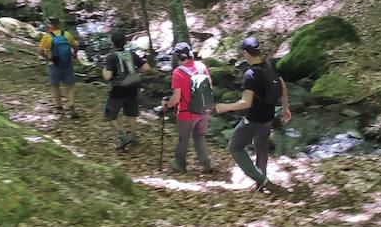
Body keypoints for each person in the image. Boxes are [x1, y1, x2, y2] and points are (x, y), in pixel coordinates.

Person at [215, 36, 291, 192]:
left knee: (234, 147)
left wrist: (224, 107)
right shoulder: (271, 65)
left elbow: (246, 103)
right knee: (261, 146)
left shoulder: (250, 74)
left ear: (245, 53)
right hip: (269, 118)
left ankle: (261, 180)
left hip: (254, 119)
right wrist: (285, 108)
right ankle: (260, 184)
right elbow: (283, 87)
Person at [160, 42, 214, 174]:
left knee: (183, 138)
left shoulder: (178, 72)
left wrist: (166, 105)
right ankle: (206, 164)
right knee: (200, 136)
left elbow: (176, 98)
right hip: (204, 110)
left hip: (187, 113)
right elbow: (210, 88)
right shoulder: (202, 66)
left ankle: (180, 164)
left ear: (178, 56)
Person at [101, 29, 151, 150]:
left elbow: (108, 76)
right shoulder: (131, 54)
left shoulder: (111, 57)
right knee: (131, 115)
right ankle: (133, 138)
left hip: (118, 91)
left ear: (113, 43)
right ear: (124, 42)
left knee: (110, 115)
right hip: (132, 89)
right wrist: (134, 72)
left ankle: (123, 136)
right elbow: (147, 68)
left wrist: (103, 71)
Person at [38, 16, 79, 117]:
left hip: (53, 64)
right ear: (58, 24)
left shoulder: (46, 37)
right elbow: (75, 47)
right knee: (69, 86)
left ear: (49, 25)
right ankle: (72, 107)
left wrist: (48, 59)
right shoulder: (66, 34)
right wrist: (74, 54)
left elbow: (40, 52)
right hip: (67, 63)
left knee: (55, 86)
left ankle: (59, 108)